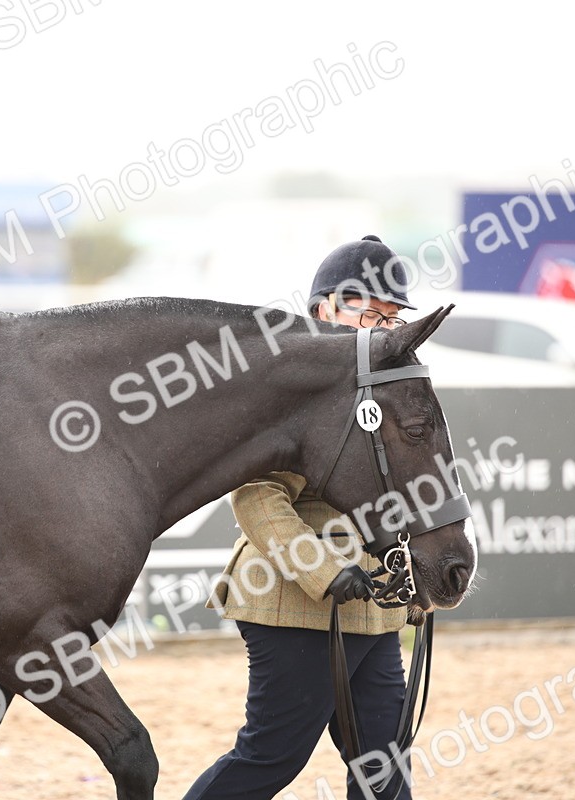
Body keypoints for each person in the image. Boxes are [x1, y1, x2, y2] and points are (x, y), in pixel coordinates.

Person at [184, 235, 418, 800]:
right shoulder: (295, 389)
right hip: (296, 604)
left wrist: (413, 574)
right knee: (270, 758)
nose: (381, 326)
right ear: (324, 310)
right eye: (367, 311)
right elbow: (258, 498)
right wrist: (325, 570)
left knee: (385, 767)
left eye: (390, 316)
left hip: (374, 610)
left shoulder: (386, 387)